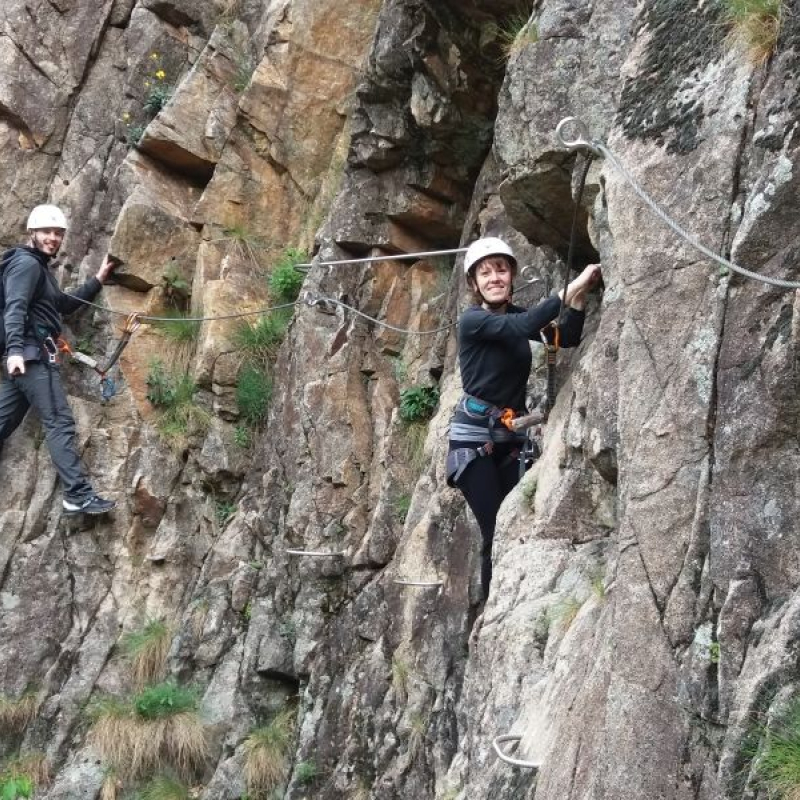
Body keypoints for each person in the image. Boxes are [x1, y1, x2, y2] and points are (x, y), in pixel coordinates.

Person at [446, 236, 600, 600]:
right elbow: (524, 326)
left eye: (501, 269)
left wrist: (578, 300)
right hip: (473, 443)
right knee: (495, 530)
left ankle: (511, 598)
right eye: (485, 273)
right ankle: (490, 609)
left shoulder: (514, 316)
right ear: (474, 283)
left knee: (516, 524)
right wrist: (571, 286)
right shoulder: (473, 321)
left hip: (510, 436)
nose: (494, 278)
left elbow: (567, 337)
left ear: (511, 275)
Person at [0, 204, 117, 515]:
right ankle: (77, 495)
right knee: (59, 421)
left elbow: (62, 305)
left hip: (27, 358)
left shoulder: (40, 269)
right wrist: (14, 351)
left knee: (3, 419)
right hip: (30, 356)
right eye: (47, 232)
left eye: (58, 233)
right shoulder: (26, 265)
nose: (53, 238)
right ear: (32, 233)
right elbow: (15, 307)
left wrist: (98, 279)